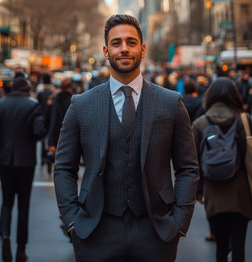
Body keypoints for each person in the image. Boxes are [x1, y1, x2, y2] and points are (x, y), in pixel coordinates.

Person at [54, 14, 199, 262]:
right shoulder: (81, 105)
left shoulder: (170, 103)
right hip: (95, 233)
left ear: (142, 49)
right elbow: (63, 168)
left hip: (156, 233)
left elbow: (188, 168)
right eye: (116, 42)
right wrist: (72, 221)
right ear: (106, 50)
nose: (124, 49)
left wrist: (179, 222)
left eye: (131, 42)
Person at [192, 77, 252, 262]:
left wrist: (198, 190)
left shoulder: (200, 123)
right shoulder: (245, 120)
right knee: (239, 244)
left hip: (213, 192)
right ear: (234, 96)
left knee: (221, 244)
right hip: (241, 193)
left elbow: (193, 162)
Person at [0, 75, 46, 262]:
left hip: (5, 161)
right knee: (23, 205)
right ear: (27, 88)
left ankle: (5, 237)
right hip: (26, 161)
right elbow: (39, 132)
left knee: (7, 202)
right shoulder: (33, 105)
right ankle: (21, 249)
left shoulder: (1, 104)